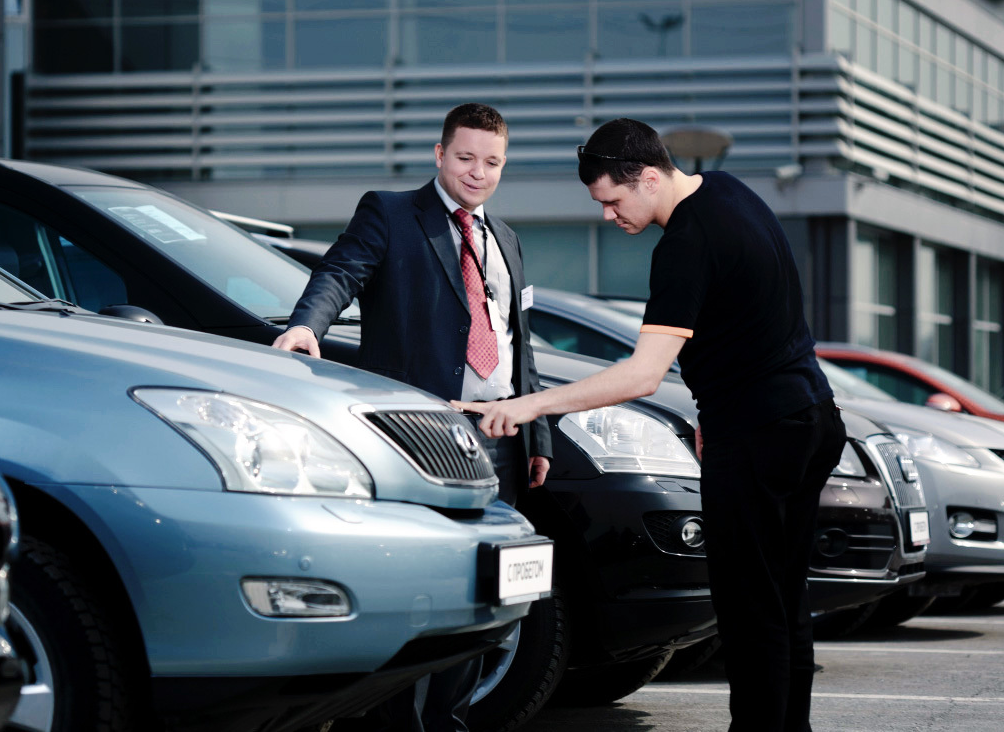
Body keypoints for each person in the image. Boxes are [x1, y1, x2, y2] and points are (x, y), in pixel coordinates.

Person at [455, 118, 842, 732]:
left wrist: (529, 405)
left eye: (613, 201)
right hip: (811, 420)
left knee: (749, 610)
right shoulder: (730, 192)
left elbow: (641, 376)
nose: (609, 216)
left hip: (759, 436)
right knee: (784, 596)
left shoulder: (684, 244)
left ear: (650, 178)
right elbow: (756, 317)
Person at [272, 102, 553, 732]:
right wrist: (307, 326)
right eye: (465, 158)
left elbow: (518, 344)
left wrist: (538, 433)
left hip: (498, 438)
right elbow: (340, 271)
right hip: (421, 437)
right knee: (417, 591)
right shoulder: (392, 213)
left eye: (492, 162)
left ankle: (449, 721)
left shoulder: (507, 239)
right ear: (439, 153)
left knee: (485, 595)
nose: (478, 173)